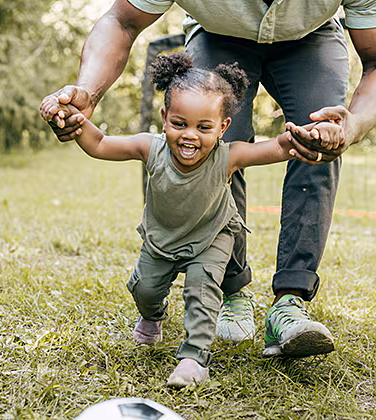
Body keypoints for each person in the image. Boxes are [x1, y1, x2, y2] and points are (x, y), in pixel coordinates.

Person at [40, 0, 376, 357]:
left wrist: (354, 123)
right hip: (217, 33)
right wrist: (88, 90)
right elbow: (122, 20)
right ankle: (232, 290)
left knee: (320, 138)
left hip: (310, 38)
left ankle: (290, 302)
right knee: (212, 146)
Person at [41, 52, 339, 386]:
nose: (189, 136)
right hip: (162, 238)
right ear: (165, 116)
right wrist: (75, 121)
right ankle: (153, 316)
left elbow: (277, 148)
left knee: (203, 293)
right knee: (145, 289)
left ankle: (193, 360)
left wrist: (305, 136)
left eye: (204, 127)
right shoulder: (148, 147)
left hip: (211, 238)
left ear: (223, 127)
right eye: (180, 124)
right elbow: (99, 143)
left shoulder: (229, 156)